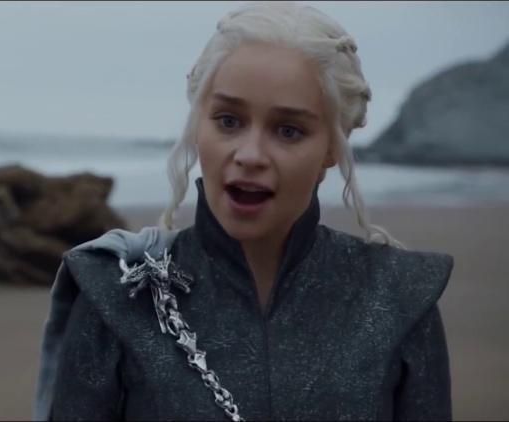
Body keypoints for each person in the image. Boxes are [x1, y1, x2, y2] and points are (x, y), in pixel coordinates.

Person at [33, 1, 453, 420]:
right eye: (229, 121)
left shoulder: (399, 298)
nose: (250, 155)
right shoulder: (117, 294)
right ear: (198, 125)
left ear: (332, 147)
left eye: (288, 130)